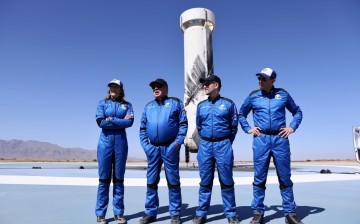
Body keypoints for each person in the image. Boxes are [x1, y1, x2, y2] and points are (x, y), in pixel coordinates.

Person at [238, 68, 303, 224]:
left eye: (264, 79)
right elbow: (241, 114)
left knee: (285, 177)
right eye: (259, 78)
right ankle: (258, 212)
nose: (260, 81)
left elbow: (297, 112)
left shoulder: (283, 95)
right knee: (259, 177)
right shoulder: (253, 96)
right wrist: (248, 128)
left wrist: (292, 127)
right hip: (261, 139)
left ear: (273, 80)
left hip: (280, 139)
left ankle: (290, 213)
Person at [139, 78, 188, 224]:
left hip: (169, 147)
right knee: (151, 181)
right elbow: (142, 129)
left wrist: (177, 143)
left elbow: (183, 124)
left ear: (166, 88)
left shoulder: (175, 103)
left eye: (159, 86)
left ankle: (175, 213)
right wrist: (146, 146)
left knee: (173, 181)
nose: (155, 88)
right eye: (153, 87)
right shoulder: (148, 107)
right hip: (152, 148)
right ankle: (150, 212)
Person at [192, 75, 240, 224]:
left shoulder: (229, 104)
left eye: (207, 84)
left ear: (216, 85)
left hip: (223, 145)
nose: (204, 86)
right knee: (205, 181)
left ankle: (231, 213)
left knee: (226, 180)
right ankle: (201, 213)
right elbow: (199, 127)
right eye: (204, 84)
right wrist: (208, 141)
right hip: (205, 146)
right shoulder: (201, 106)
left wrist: (224, 141)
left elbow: (233, 127)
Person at [95, 79, 134, 224]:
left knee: (119, 180)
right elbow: (100, 122)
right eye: (111, 87)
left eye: (116, 87)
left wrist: (111, 119)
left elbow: (129, 122)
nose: (113, 89)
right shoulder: (102, 104)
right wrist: (119, 121)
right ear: (109, 89)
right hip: (105, 145)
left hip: (121, 145)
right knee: (104, 179)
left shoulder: (127, 105)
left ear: (121, 89)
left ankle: (119, 213)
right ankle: (100, 214)